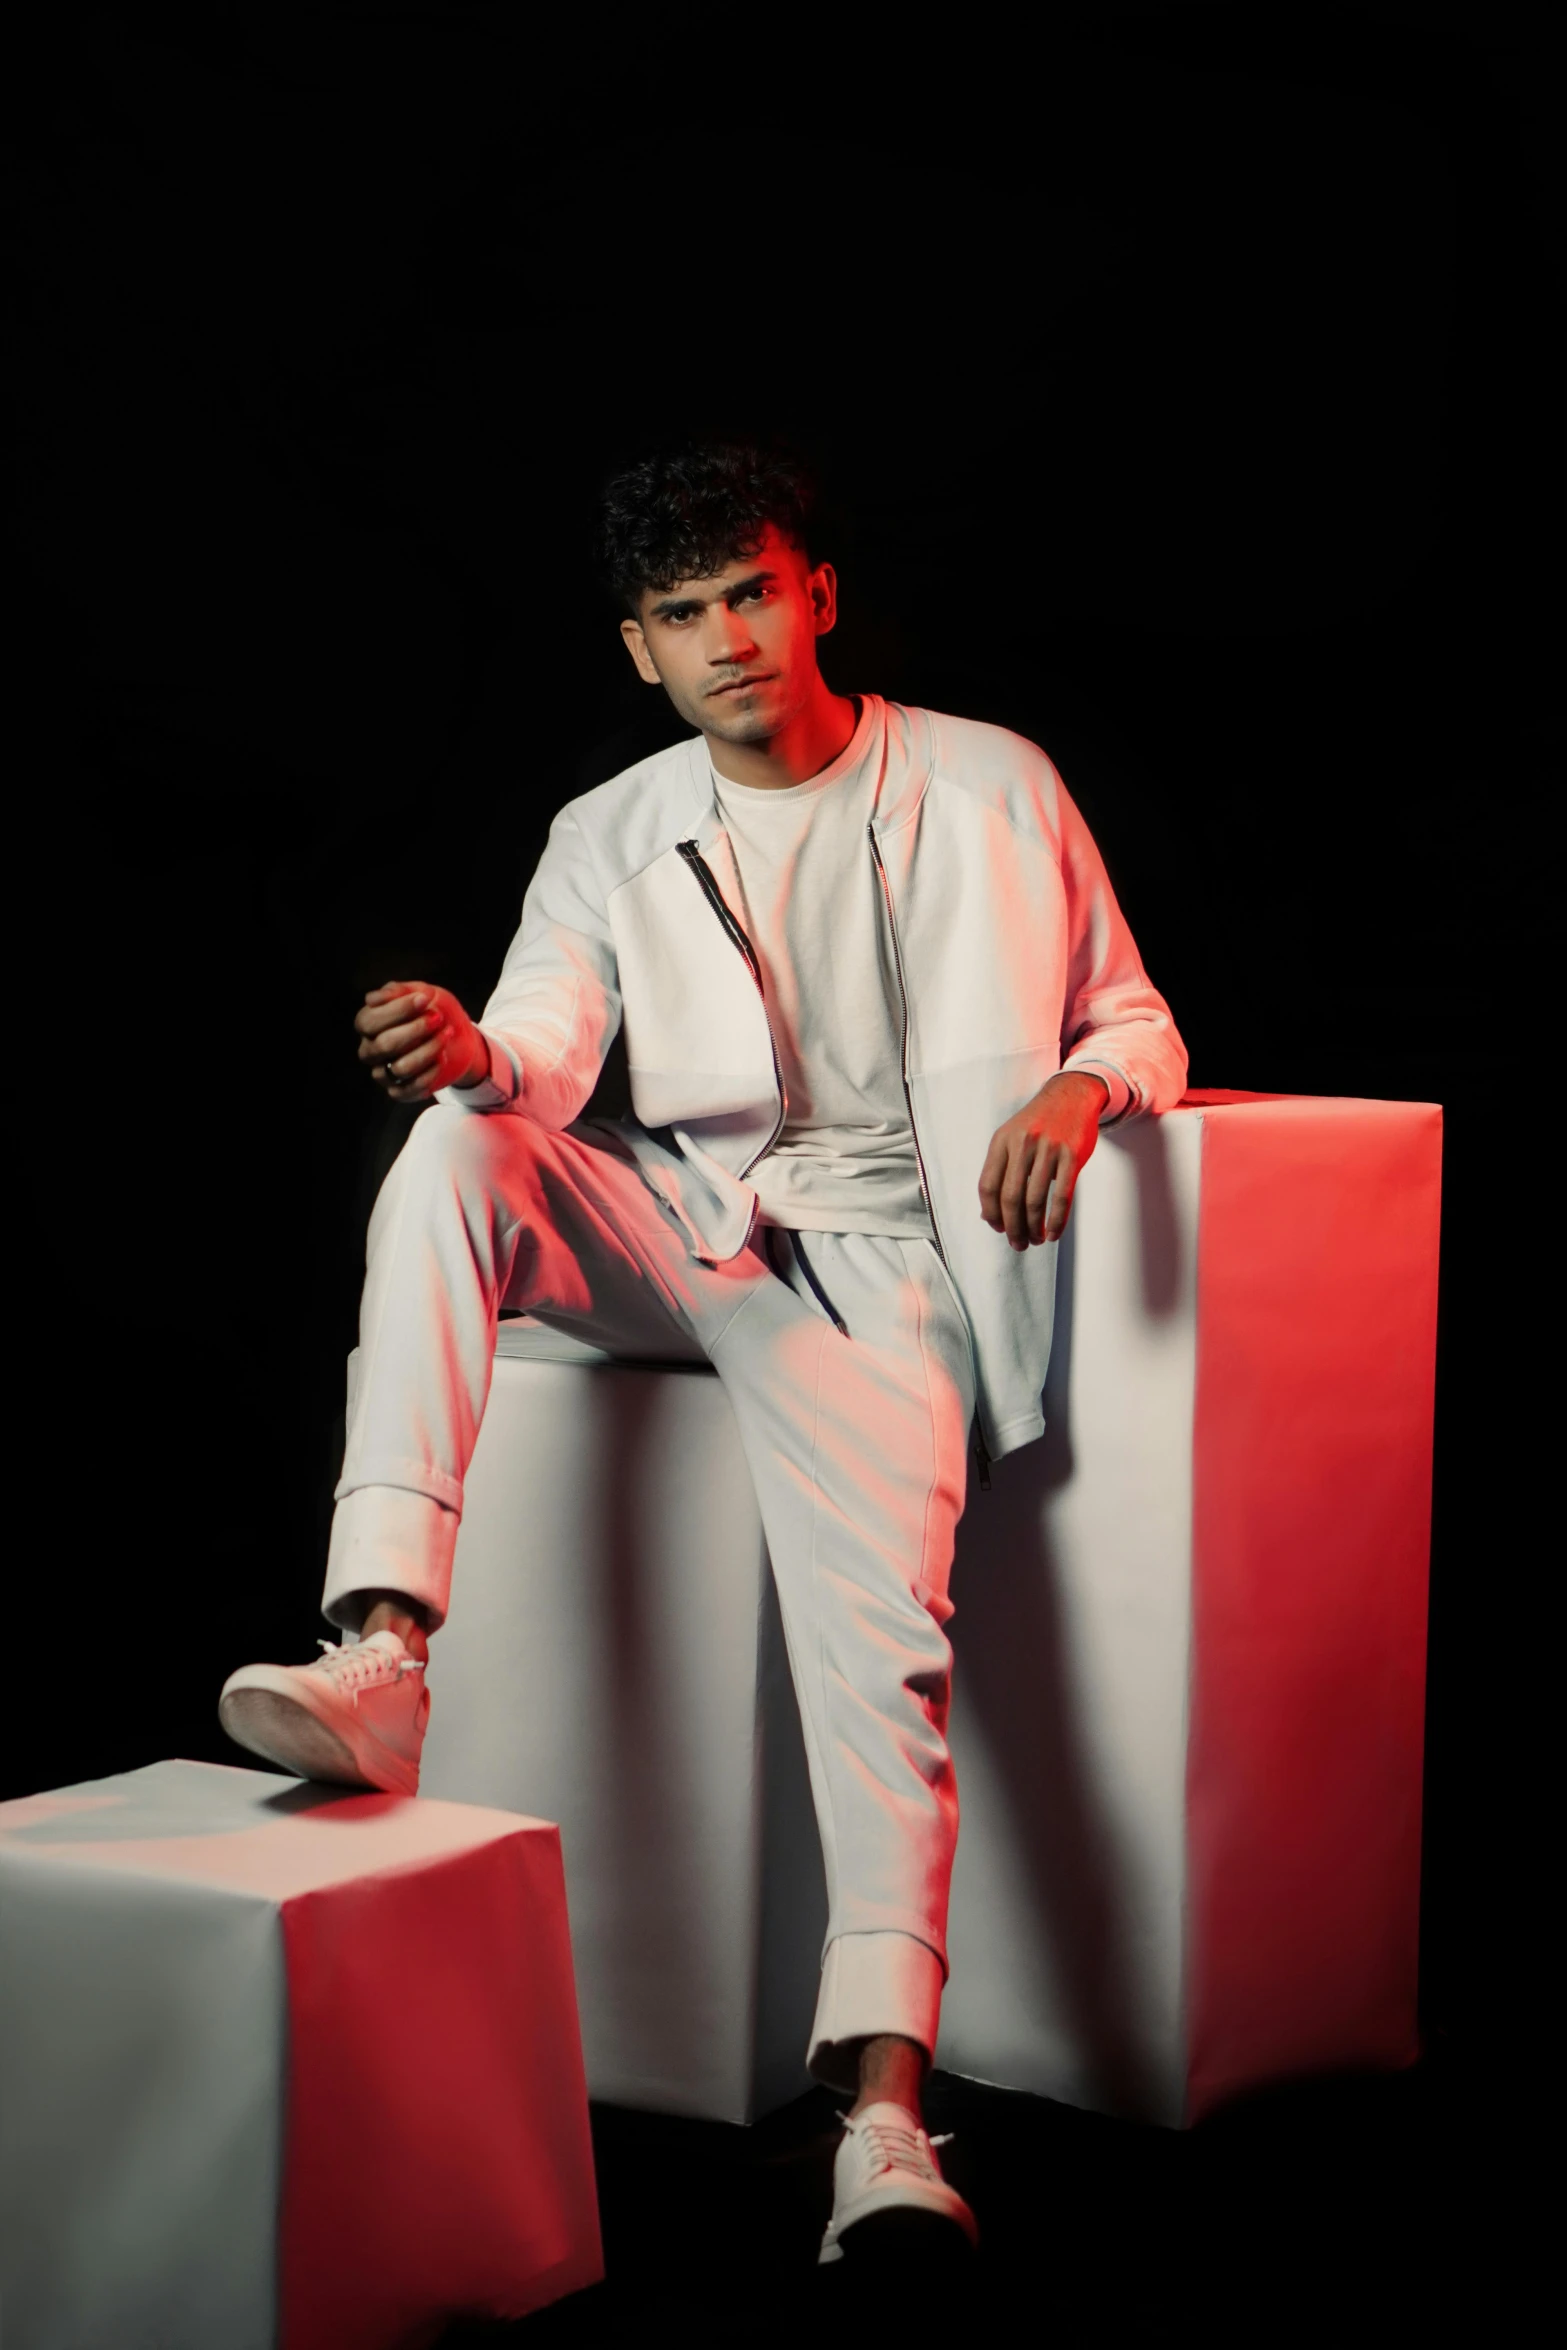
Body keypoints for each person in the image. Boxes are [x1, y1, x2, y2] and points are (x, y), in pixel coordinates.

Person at [219, 440, 1187, 2263]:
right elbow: (548, 1053)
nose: (728, 637)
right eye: (684, 614)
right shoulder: (608, 829)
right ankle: (383, 1645)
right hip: (696, 1224)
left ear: (814, 592)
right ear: (639, 649)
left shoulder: (991, 783)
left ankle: (884, 2126)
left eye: (752, 590)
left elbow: (1136, 1013)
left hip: (898, 1271)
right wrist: (469, 1051)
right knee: (454, 1149)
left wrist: (1075, 1081)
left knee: (879, 1655)